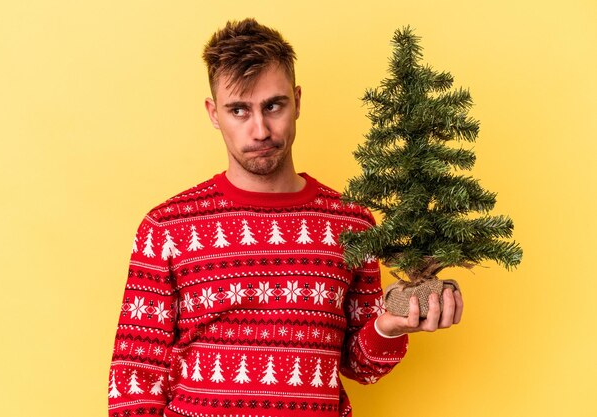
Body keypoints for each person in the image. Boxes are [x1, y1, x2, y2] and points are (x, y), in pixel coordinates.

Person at [108, 18, 463, 417]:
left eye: (273, 105)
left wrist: (389, 327)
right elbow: (134, 379)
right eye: (238, 110)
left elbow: (360, 365)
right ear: (213, 113)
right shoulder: (167, 227)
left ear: (297, 100)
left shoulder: (351, 223)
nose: (259, 130)